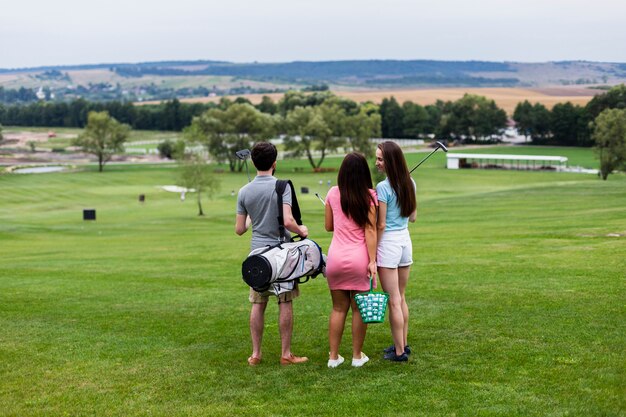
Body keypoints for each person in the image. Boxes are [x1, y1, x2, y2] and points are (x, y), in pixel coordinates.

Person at [235, 142, 310, 366]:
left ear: (253, 162)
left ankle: (255, 355)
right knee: (284, 302)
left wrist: (251, 216)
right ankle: (286, 354)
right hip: (281, 254)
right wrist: (301, 230)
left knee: (258, 304)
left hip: (257, 256)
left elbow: (239, 229)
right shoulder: (282, 186)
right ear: (275, 163)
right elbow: (288, 220)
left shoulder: (244, 191)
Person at [324, 152, 378, 368]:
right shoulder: (370, 196)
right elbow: (370, 230)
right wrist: (372, 261)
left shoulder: (332, 193)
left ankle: (333, 357)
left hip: (335, 259)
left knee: (338, 309)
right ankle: (357, 356)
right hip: (359, 259)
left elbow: (329, 226)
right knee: (358, 309)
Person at [375, 141, 417, 362]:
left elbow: (380, 225)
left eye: (380, 159)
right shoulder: (410, 182)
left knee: (393, 300)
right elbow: (413, 217)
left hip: (389, 245)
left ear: (390, 161)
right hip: (405, 242)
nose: (377, 163)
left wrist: (373, 251)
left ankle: (399, 352)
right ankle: (403, 344)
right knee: (400, 297)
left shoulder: (382, 188)